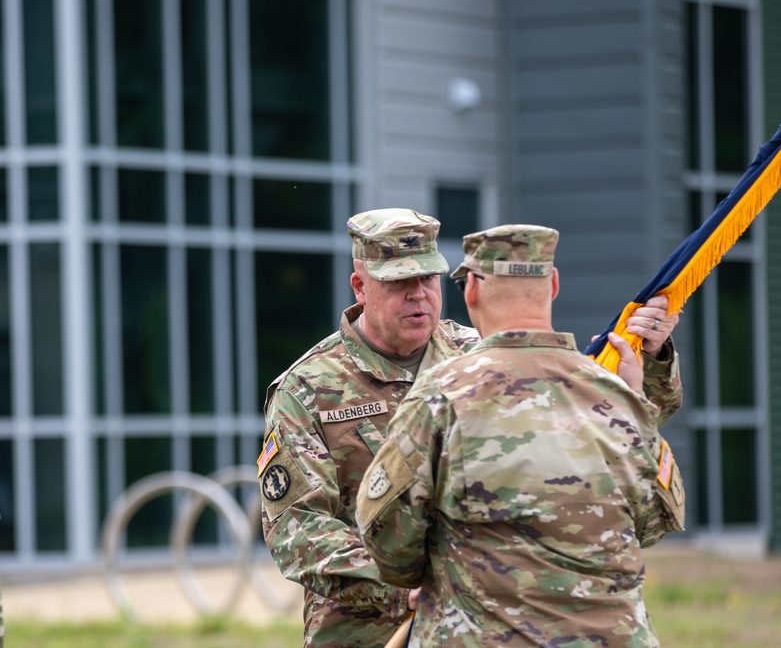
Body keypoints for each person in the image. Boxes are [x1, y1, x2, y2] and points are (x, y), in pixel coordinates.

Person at [259, 209, 681, 648]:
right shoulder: (307, 388)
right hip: (365, 632)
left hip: (483, 627)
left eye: (428, 279)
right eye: (399, 283)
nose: (418, 295)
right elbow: (297, 527)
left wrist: (648, 361)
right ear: (361, 286)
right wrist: (400, 588)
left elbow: (589, 434)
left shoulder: (480, 353)